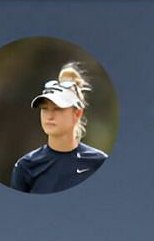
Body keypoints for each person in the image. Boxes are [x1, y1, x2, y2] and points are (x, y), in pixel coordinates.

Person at [10, 65, 107, 194]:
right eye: (44, 108)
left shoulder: (99, 163)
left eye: (58, 108)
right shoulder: (26, 166)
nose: (49, 116)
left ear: (77, 114)